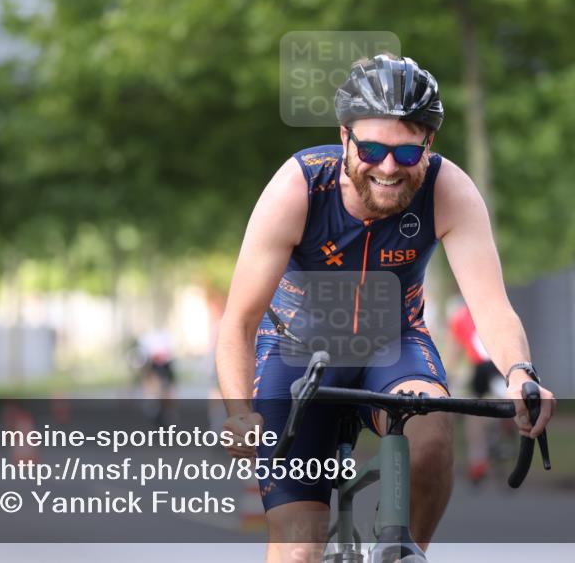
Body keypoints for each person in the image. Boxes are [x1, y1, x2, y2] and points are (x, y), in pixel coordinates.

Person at [216, 54, 556, 562]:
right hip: (296, 357)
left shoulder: (449, 190)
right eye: (372, 149)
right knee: (298, 549)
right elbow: (238, 323)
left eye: (406, 151)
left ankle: (406, 551)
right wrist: (239, 412)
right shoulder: (298, 188)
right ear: (345, 135)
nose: (389, 167)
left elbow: (492, 306)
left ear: (429, 144)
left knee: (433, 430)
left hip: (393, 346)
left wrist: (520, 372)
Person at [447, 300, 507, 482]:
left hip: (482, 367)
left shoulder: (459, 317)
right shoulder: (493, 307)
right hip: (501, 364)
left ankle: (478, 459)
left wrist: (447, 378)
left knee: (473, 412)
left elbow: (454, 354)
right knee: (505, 400)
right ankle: (501, 428)